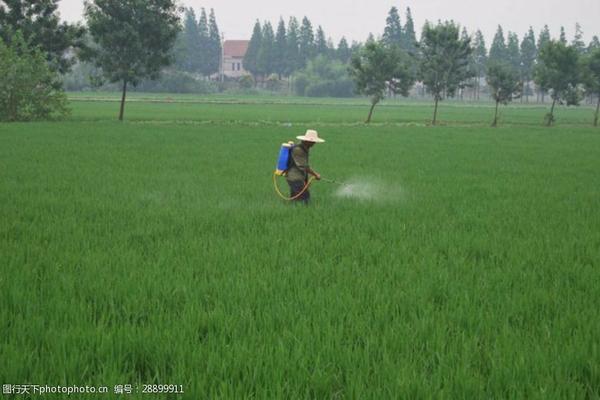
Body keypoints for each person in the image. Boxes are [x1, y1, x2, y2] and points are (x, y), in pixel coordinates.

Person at [286, 129, 325, 204]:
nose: (314, 143)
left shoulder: (305, 149)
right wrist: (315, 174)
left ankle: (293, 211)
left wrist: (305, 181)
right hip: (294, 178)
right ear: (307, 141)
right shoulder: (298, 150)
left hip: (298, 178)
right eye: (313, 141)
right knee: (305, 199)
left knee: (296, 200)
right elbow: (303, 166)